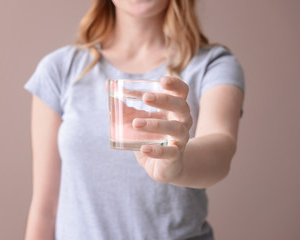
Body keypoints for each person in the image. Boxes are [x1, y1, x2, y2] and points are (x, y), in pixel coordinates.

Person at [23, 0, 245, 239]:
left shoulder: (213, 65)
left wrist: (178, 164)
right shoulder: (59, 70)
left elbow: (221, 148)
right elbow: (46, 210)